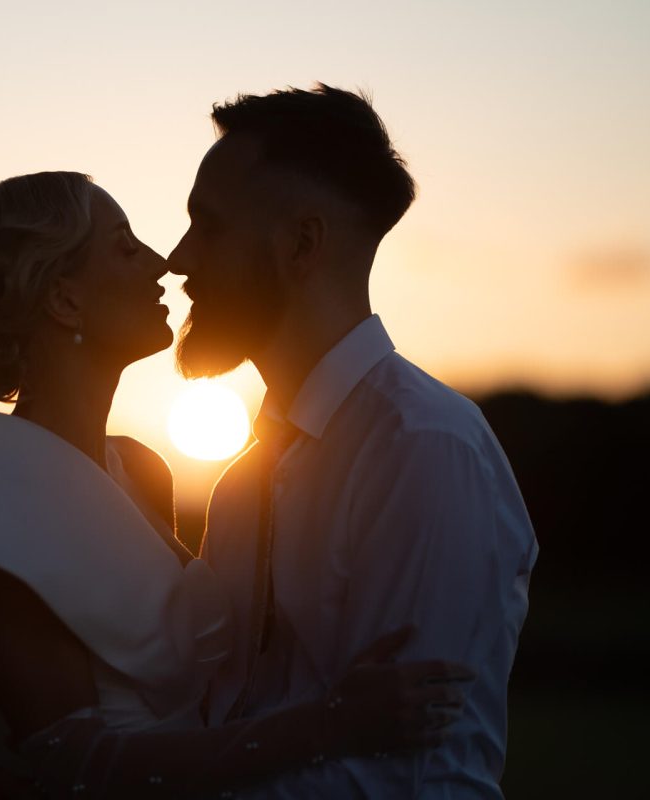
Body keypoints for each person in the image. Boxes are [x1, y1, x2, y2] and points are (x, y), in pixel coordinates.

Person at [0, 171, 475, 798]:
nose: (161, 264)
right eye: (126, 246)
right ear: (64, 300)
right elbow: (84, 763)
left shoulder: (142, 472)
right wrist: (328, 726)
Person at [169, 85, 539, 797]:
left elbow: (403, 775)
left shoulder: (421, 447)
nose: (177, 259)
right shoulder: (244, 481)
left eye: (207, 227)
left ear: (303, 243)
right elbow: (221, 718)